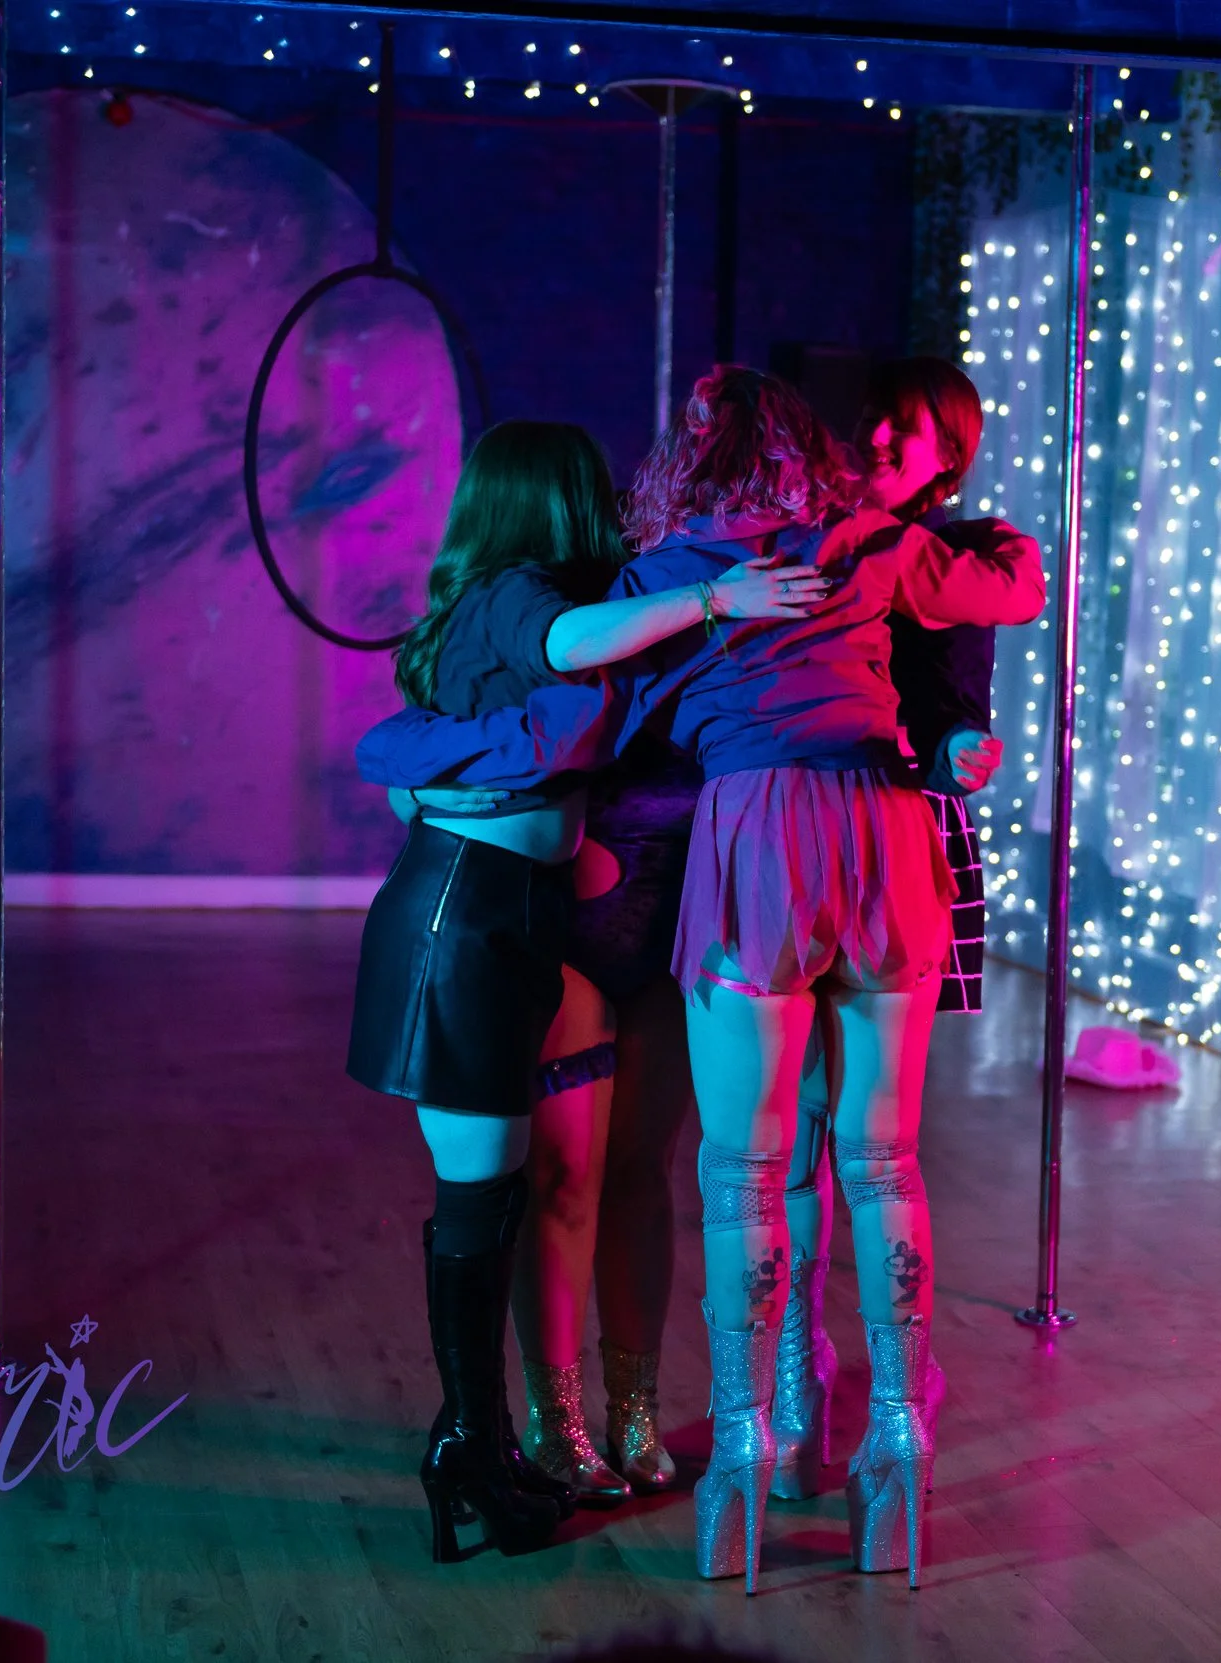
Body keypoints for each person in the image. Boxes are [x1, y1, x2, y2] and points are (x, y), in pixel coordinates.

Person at [357, 365, 1045, 1591]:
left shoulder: (662, 576)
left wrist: (418, 763)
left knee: (742, 1170)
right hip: (887, 836)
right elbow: (1013, 584)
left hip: (757, 845)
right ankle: (893, 1436)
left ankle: (742, 1451)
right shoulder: (867, 539)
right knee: (881, 1157)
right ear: (806, 450)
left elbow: (599, 721)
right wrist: (959, 541)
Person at [345, 419, 827, 1562]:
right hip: (467, 912)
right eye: (599, 495)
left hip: (510, 912)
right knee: (488, 1198)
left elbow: (448, 750)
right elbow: (560, 652)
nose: (621, 512)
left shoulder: (520, 608)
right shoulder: (516, 598)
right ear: (554, 502)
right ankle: (479, 1444)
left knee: (505, 1194)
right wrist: (715, 602)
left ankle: (486, 1444)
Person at [772, 357, 1004, 1504]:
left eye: (904, 430)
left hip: (895, 833)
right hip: (789, 833)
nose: (875, 436)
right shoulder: (807, 538)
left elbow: (961, 698)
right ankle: (801, 1363)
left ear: (945, 453)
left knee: (866, 1136)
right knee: (804, 1129)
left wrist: (958, 751)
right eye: (872, 419)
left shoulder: (957, 558)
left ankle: (886, 1387)